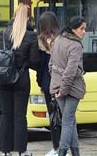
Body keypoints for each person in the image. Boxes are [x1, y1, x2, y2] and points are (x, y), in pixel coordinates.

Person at [0, 3, 40, 156]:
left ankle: (4, 151)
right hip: (21, 79)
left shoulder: (2, 34)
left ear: (13, 16)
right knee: (20, 116)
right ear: (28, 18)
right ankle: (21, 150)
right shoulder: (31, 36)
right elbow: (35, 61)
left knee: (6, 115)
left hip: (4, 79)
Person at [49, 16, 87, 156]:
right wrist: (63, 90)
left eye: (85, 29)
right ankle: (62, 152)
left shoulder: (58, 40)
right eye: (81, 28)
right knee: (68, 121)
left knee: (70, 120)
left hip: (58, 86)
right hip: (71, 88)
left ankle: (76, 152)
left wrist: (57, 82)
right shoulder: (76, 45)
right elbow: (71, 71)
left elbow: (51, 64)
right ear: (73, 29)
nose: (84, 32)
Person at [36, 11, 61, 156]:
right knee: (64, 117)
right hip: (63, 83)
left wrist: (40, 83)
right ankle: (66, 147)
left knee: (53, 117)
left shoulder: (41, 43)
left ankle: (56, 147)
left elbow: (40, 67)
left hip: (48, 84)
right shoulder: (62, 40)